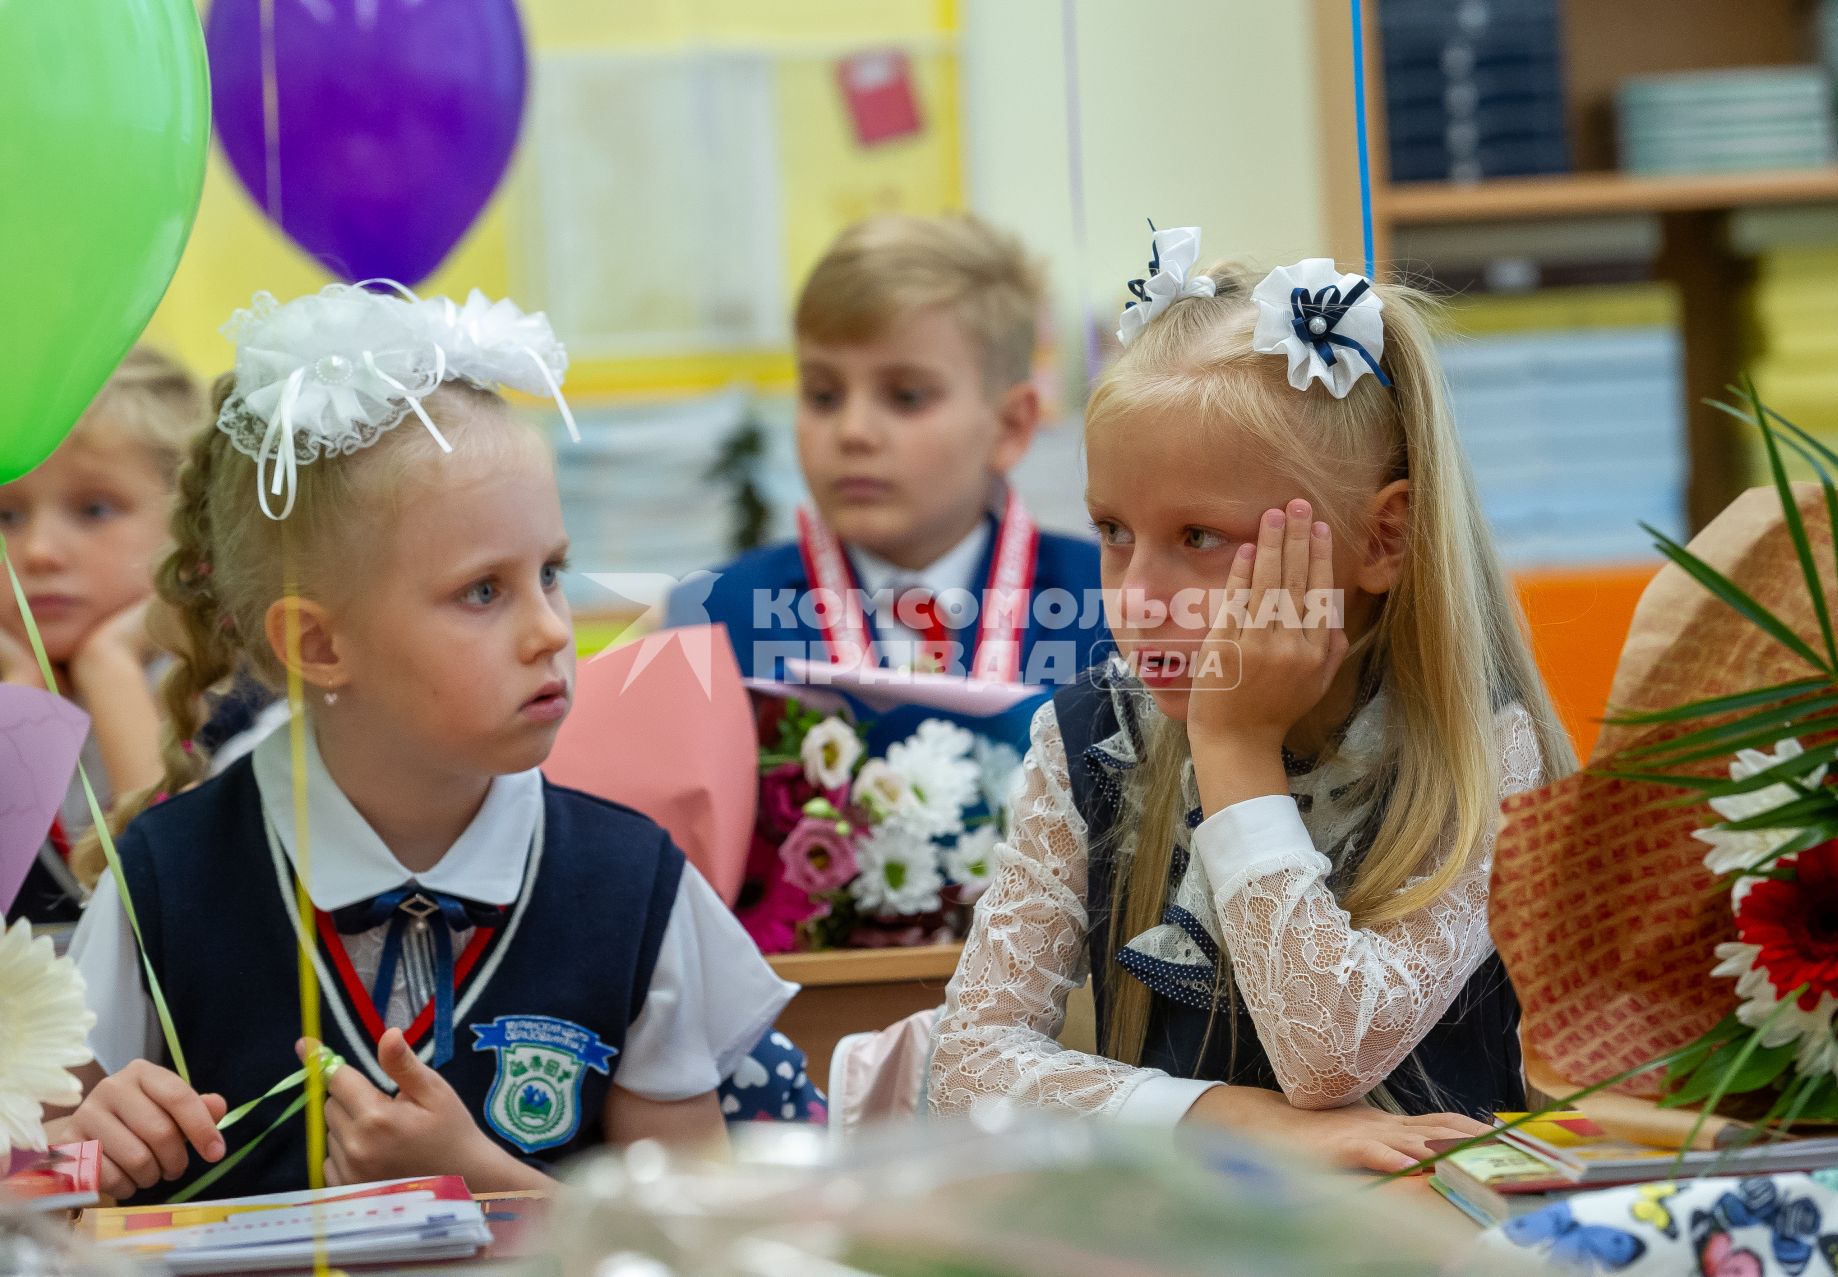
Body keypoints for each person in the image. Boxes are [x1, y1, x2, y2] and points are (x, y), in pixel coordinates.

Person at [47, 285, 795, 1202]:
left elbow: (699, 1243)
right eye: (484, 591)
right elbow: (41, 1184)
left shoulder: (636, 885)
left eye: (551, 573)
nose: (552, 630)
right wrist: (84, 1148)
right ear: (319, 643)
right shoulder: (162, 882)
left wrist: (480, 1177)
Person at [929, 228, 1578, 1172]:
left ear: (1382, 538)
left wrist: (1235, 748)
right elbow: (966, 1064)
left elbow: (1331, 1051)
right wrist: (1228, 1116)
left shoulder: (1485, 751)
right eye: (1113, 530)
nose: (1137, 597)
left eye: (1200, 535)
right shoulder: (1086, 737)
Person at [667, 214, 1107, 693]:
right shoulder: (713, 617)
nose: (853, 432)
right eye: (822, 396)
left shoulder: (1108, 608)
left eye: (907, 396)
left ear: (1009, 427)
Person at [1, 348, 206, 925]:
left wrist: (110, 668)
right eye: (5, 517)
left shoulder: (252, 713)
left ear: (190, 526)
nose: (39, 552)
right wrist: (22, 692)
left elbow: (191, 908)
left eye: (94, 509)